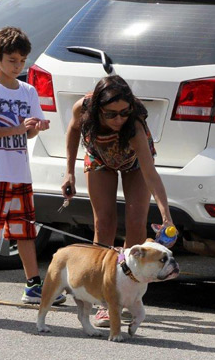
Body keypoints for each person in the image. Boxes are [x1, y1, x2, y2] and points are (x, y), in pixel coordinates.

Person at [61, 75, 174, 326]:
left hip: (134, 163)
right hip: (100, 159)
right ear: (98, 108)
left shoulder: (134, 126)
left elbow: (150, 173)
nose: (118, 119)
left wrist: (166, 214)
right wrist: (69, 171)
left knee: (135, 222)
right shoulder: (83, 107)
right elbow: (72, 130)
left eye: (123, 113)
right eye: (111, 114)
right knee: (104, 223)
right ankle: (103, 296)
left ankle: (125, 296)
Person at [0, 26, 65, 306]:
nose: (17, 66)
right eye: (12, 60)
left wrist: (35, 127)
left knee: (24, 231)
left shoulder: (29, 91)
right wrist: (18, 128)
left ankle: (33, 284)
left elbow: (28, 132)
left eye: (22, 61)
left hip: (20, 172)